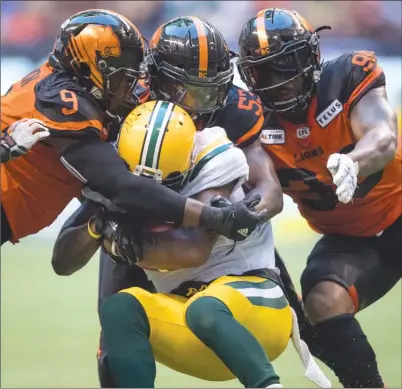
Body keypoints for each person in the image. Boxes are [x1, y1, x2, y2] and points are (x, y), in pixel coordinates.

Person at [52, 100, 330, 389]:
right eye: (139, 184)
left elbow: (192, 250)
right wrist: (98, 227)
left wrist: (116, 243)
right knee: (119, 309)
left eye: (167, 182)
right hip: (190, 320)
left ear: (189, 158)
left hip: (254, 311)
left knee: (205, 308)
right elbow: (62, 261)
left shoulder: (214, 155)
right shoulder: (115, 174)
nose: (152, 194)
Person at [95, 16, 287, 388]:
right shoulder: (128, 107)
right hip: (140, 214)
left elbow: (269, 189)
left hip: (213, 221)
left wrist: (244, 214)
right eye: (185, 89)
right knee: (113, 330)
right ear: (155, 79)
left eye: (209, 91)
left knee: (282, 303)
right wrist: (107, 230)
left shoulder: (231, 110)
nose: (198, 104)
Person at [0, 9, 265, 247]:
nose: (131, 87)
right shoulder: (63, 101)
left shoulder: (70, 88)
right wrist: (213, 217)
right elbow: (119, 185)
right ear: (91, 66)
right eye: (123, 76)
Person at [237, 7, 401, 388]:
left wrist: (353, 162)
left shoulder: (346, 76)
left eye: (286, 65)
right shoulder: (252, 120)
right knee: (321, 303)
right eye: (263, 73)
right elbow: (260, 199)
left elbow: (382, 136)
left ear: (311, 57)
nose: (278, 83)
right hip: (349, 240)